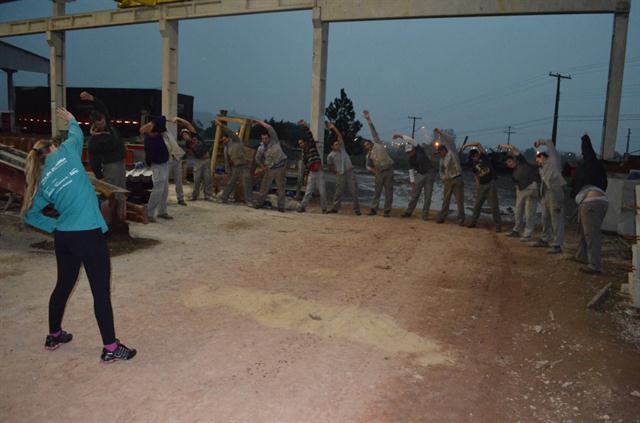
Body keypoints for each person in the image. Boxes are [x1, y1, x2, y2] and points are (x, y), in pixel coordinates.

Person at [21, 106, 136, 363]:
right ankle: (110, 348)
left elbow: (29, 215)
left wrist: (55, 226)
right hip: (88, 236)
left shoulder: (43, 182)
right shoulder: (67, 153)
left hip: (65, 239)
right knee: (100, 293)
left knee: (63, 285)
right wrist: (72, 119)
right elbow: (77, 134)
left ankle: (54, 334)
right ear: (52, 148)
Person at [570, 133, 608, 274]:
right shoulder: (595, 167)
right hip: (590, 202)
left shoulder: (590, 165)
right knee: (583, 231)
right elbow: (604, 183)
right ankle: (581, 256)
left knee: (591, 235)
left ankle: (595, 266)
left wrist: (584, 139)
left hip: (592, 203)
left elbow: (588, 153)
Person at [79, 91, 126, 188]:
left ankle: (121, 203)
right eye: (99, 124)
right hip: (110, 166)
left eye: (103, 122)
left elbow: (102, 107)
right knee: (112, 194)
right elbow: (93, 159)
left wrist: (91, 98)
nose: (102, 125)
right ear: (94, 123)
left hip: (120, 163)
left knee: (122, 193)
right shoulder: (95, 140)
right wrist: (99, 176)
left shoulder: (108, 125)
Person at [498, 144, 540, 241]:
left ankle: (527, 234)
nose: (509, 164)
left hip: (532, 187)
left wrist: (504, 146)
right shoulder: (513, 174)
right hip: (523, 190)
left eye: (510, 161)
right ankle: (517, 230)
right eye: (507, 163)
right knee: (518, 211)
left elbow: (514, 148)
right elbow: (517, 184)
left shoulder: (522, 161)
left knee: (530, 212)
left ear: (514, 160)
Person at [533, 139, 566, 254]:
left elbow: (549, 143)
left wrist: (539, 142)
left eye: (538, 159)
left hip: (555, 193)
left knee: (556, 219)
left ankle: (558, 244)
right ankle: (545, 239)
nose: (537, 162)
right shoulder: (542, 168)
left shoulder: (553, 160)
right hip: (546, 194)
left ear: (543, 157)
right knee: (545, 218)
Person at [393, 133, 436, 221]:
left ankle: (425, 215)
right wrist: (412, 182)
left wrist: (400, 136)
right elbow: (411, 170)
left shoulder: (419, 150)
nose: (410, 153)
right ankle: (409, 212)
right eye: (408, 152)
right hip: (420, 175)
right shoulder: (410, 159)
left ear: (414, 149)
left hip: (429, 174)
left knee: (428, 196)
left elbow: (410, 140)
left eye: (411, 151)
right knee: (415, 195)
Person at [462, 142, 502, 232]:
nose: (475, 158)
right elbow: (475, 174)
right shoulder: (472, 164)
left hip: (491, 184)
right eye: (473, 157)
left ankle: (498, 226)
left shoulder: (484, 157)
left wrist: (466, 145)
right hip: (481, 186)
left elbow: (479, 144)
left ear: (478, 154)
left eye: (475, 156)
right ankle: (473, 222)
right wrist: (478, 184)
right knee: (477, 206)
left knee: (494, 206)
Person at [361, 110, 394, 217]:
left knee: (389, 192)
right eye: (365, 146)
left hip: (388, 170)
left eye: (367, 144)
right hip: (379, 173)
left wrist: (368, 119)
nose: (367, 146)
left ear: (370, 143)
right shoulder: (368, 156)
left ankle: (387, 211)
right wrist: (374, 170)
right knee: (377, 192)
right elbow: (367, 166)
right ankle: (374, 209)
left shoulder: (377, 143)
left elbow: (374, 131)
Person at [141, 116, 173, 222]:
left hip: (163, 163)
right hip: (157, 164)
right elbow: (149, 155)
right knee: (158, 189)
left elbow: (162, 118)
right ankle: (150, 213)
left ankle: (162, 211)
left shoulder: (157, 134)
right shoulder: (149, 139)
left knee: (164, 189)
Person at [173, 117, 213, 201]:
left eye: (185, 134)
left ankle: (208, 195)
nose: (185, 136)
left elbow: (188, 124)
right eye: (183, 135)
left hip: (206, 159)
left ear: (189, 133)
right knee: (197, 179)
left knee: (207, 178)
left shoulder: (195, 134)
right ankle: (195, 195)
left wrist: (178, 119)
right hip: (198, 161)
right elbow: (187, 154)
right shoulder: (187, 146)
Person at [325, 121, 361, 215]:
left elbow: (339, 136)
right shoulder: (330, 156)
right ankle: (335, 208)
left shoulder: (342, 149)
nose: (338, 145)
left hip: (349, 172)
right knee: (338, 192)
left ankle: (357, 209)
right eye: (336, 144)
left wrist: (333, 127)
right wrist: (335, 172)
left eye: (338, 144)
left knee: (354, 191)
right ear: (332, 146)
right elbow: (330, 166)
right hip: (340, 174)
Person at [253, 119, 288, 212]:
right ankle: (259, 203)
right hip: (270, 169)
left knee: (281, 188)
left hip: (281, 167)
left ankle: (281, 207)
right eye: (262, 138)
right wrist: (262, 166)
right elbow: (257, 159)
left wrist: (259, 122)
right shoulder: (261, 148)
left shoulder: (275, 140)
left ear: (269, 138)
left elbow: (270, 128)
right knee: (264, 187)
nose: (264, 140)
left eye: (265, 138)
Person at [217, 121, 253, 205]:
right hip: (235, 167)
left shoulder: (236, 140)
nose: (224, 140)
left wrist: (221, 125)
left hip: (243, 165)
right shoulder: (226, 148)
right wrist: (228, 170)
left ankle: (249, 201)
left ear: (228, 138)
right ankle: (224, 198)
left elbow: (230, 132)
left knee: (246, 183)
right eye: (223, 139)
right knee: (230, 183)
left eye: (225, 139)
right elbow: (227, 160)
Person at [434, 128, 465, 225]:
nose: (439, 154)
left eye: (440, 152)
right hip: (448, 181)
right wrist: (443, 178)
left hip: (457, 179)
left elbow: (449, 140)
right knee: (445, 200)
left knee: (459, 201)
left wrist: (441, 133)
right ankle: (442, 217)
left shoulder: (452, 152)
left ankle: (461, 219)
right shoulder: (441, 160)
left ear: (444, 150)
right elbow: (440, 171)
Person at [297, 120, 327, 213]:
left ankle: (324, 208)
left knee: (322, 192)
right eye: (299, 144)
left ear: (305, 143)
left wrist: (305, 126)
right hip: (312, 173)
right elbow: (306, 166)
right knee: (308, 192)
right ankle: (303, 207)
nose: (301, 145)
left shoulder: (312, 146)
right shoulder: (304, 155)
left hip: (319, 172)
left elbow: (310, 135)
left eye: (301, 143)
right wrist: (306, 175)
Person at [165, 123, 187, 206]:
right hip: (168, 160)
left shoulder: (170, 134)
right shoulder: (162, 136)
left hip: (176, 159)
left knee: (179, 180)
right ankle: (164, 199)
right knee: (165, 181)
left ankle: (180, 198)